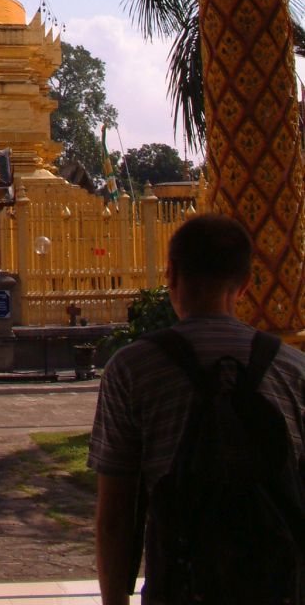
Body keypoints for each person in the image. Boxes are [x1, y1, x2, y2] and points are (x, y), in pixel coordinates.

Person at [88, 213, 305, 605]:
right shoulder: (293, 370)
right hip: (276, 586)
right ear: (244, 285)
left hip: (181, 584)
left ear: (169, 274)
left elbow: (116, 516)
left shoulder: (133, 369)